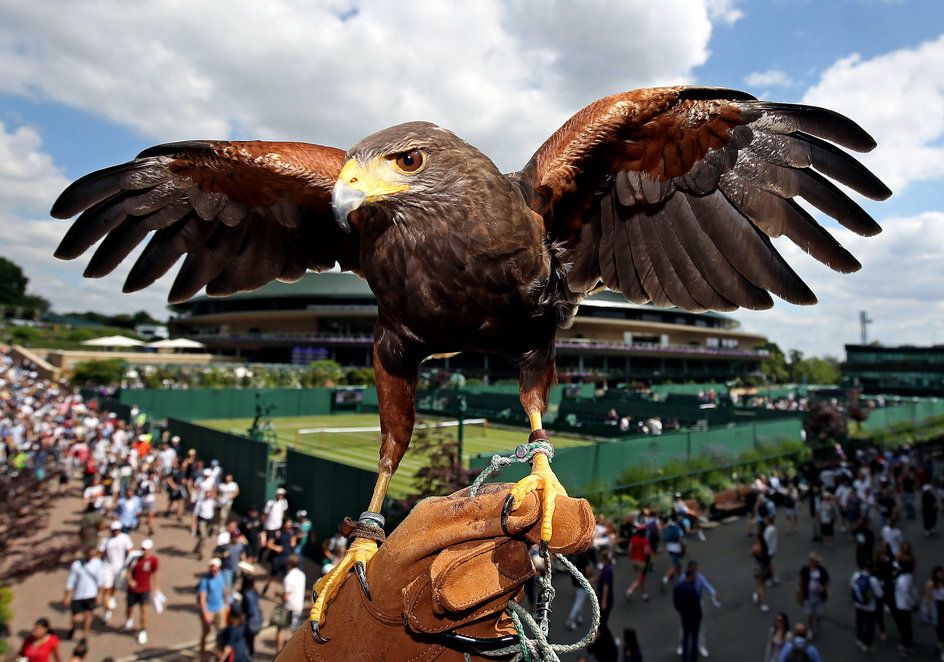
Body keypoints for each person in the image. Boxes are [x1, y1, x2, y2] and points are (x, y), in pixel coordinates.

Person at [62, 548, 103, 641]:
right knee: (75, 618)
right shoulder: (77, 565)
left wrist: (99, 594)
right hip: (78, 595)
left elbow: (100, 580)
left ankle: (85, 634)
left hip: (90, 594)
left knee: (87, 616)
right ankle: (73, 627)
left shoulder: (97, 564)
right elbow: (71, 581)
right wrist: (67, 596)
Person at [124, 538, 159, 645]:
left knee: (143, 610)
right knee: (129, 607)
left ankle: (143, 630)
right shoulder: (135, 559)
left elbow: (155, 573)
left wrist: (156, 586)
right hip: (133, 589)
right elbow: (128, 572)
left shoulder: (153, 560)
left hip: (144, 589)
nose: (144, 551)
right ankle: (129, 618)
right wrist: (130, 580)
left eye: (146, 549)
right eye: (143, 549)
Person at [99, 520, 133, 623]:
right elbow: (101, 553)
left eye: (117, 530)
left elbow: (130, 552)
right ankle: (107, 611)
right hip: (107, 567)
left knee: (114, 586)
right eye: (113, 530)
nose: (115, 532)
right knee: (107, 589)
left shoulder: (125, 538)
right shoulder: (106, 540)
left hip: (119, 567)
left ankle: (111, 597)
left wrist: (129, 566)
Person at [198, 557, 229, 660]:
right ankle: (202, 653)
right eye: (211, 567)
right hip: (209, 610)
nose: (213, 570)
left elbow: (225, 589)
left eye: (215, 568)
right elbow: (202, 598)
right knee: (206, 633)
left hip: (219, 608)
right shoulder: (205, 580)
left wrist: (226, 603)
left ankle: (218, 652)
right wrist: (205, 613)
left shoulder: (222, 576)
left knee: (220, 632)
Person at [850, 559, 884, 653]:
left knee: (859, 622)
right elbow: (880, 594)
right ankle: (867, 643)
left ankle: (859, 639)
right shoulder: (873, 580)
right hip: (870, 607)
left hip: (858, 604)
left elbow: (852, 586)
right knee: (870, 625)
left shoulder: (856, 575)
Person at [275, 554, 307, 651]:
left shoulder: (288, 578)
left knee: (280, 629)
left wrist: (278, 594)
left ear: (289, 564)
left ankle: (278, 651)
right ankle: (297, 650)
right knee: (295, 630)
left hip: (289, 607)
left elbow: (285, 597)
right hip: (299, 606)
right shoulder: (302, 575)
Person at [672, 567, 701, 662]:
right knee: (694, 638)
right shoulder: (692, 589)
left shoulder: (677, 587)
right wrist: (699, 615)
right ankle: (693, 658)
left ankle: (684, 658)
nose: (695, 578)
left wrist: (681, 611)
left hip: (684, 617)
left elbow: (675, 603)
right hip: (694, 618)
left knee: (685, 637)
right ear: (691, 577)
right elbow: (697, 605)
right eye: (694, 576)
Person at [798, 552, 829, 636]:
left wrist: (823, 588)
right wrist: (801, 590)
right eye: (815, 561)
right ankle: (810, 629)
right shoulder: (805, 569)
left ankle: (818, 618)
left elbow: (827, 581)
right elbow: (801, 580)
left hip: (819, 595)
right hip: (809, 595)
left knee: (818, 612)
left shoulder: (822, 570)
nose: (817, 562)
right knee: (810, 613)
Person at [892, 560, 917, 655]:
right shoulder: (909, 577)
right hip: (905, 606)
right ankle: (907, 643)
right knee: (906, 626)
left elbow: (906, 595)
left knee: (904, 627)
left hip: (902, 606)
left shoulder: (902, 580)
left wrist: (912, 604)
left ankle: (906, 646)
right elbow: (913, 591)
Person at [624, 523, 652, 602]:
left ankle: (645, 595)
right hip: (642, 562)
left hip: (634, 561)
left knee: (641, 578)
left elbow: (629, 550)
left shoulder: (633, 538)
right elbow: (646, 552)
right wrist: (647, 561)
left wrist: (630, 557)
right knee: (640, 579)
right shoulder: (645, 541)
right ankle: (629, 591)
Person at [922, 566, 944, 662]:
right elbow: (928, 599)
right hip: (938, 607)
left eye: (941, 573)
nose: (941, 575)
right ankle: (942, 647)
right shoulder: (931, 584)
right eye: (938, 573)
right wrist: (928, 611)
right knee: (940, 629)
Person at [239, 575, 264, 657]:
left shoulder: (246, 596)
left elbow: (249, 611)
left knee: (247, 641)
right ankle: (252, 654)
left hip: (250, 622)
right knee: (251, 640)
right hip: (257, 621)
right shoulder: (254, 592)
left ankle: (248, 655)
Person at [661, 514, 686, 588]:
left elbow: (664, 537)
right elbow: (680, 541)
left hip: (669, 547)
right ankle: (665, 579)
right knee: (675, 565)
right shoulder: (678, 528)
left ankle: (682, 577)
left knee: (677, 563)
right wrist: (683, 549)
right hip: (676, 548)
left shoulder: (668, 526)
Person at [750, 532, 771, 612]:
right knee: (762, 584)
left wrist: (753, 548)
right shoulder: (765, 547)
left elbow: (750, 553)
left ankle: (764, 604)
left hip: (758, 568)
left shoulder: (756, 548)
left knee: (760, 586)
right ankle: (758, 596)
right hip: (764, 567)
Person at [596, 549, 615, 628]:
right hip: (604, 598)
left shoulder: (607, 570)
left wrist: (604, 602)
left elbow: (606, 586)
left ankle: (605, 637)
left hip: (606, 600)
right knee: (602, 620)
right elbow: (601, 578)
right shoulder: (606, 568)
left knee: (602, 621)